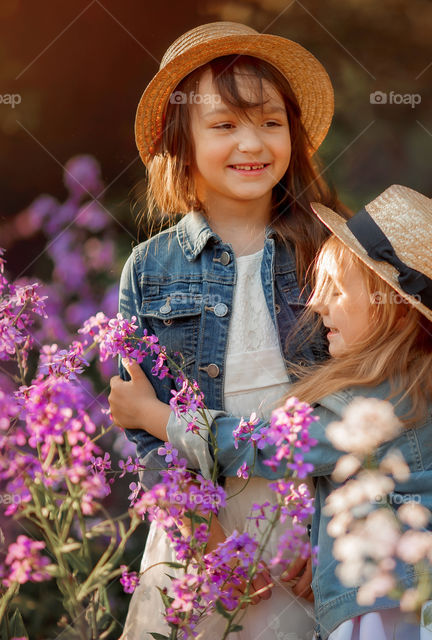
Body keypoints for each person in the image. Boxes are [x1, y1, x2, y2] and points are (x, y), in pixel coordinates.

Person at [110, 185, 432, 639]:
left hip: (407, 611)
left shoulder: (380, 401)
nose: (315, 304)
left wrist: (153, 416)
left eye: (335, 290)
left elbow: (266, 447)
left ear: (393, 309)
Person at [117, 21, 346, 639]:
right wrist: (200, 530)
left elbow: (361, 393)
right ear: (181, 142)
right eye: (224, 125)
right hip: (200, 524)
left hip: (308, 519)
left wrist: (329, 524)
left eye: (271, 123)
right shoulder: (151, 267)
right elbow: (144, 420)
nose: (253, 141)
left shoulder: (329, 249)